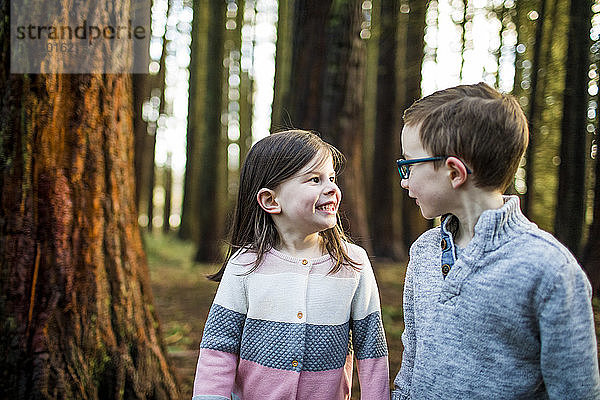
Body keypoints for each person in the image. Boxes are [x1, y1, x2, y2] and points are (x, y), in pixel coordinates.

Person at [391, 83, 600, 399]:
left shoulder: (550, 269)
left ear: (454, 172)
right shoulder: (425, 252)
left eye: (409, 164)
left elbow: (576, 390)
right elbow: (411, 364)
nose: (404, 181)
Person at [192, 130, 390, 400]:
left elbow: (371, 348)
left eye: (331, 178)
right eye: (314, 179)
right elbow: (219, 348)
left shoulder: (353, 263)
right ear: (271, 201)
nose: (332, 188)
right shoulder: (245, 265)